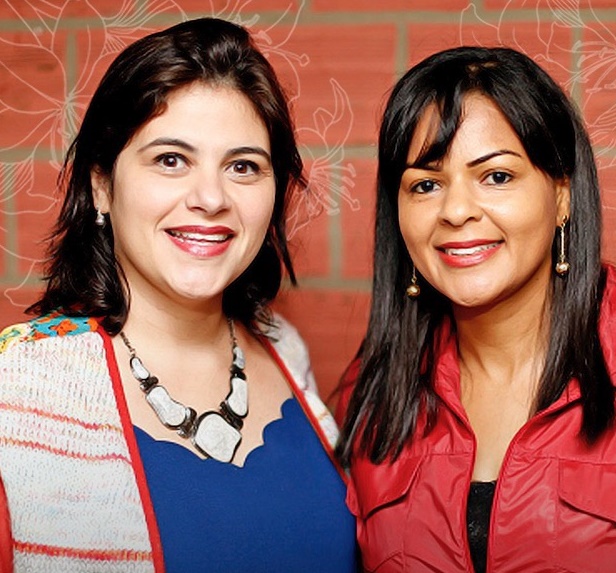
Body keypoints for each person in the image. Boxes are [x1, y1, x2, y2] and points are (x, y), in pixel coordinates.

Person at [0, 17, 356, 573]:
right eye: (171, 160)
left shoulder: (286, 350)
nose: (211, 198)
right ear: (101, 184)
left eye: (243, 166)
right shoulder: (18, 385)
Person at [336, 45, 616, 573]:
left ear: (562, 192)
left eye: (496, 176)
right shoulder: (373, 391)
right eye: (426, 185)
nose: (456, 211)